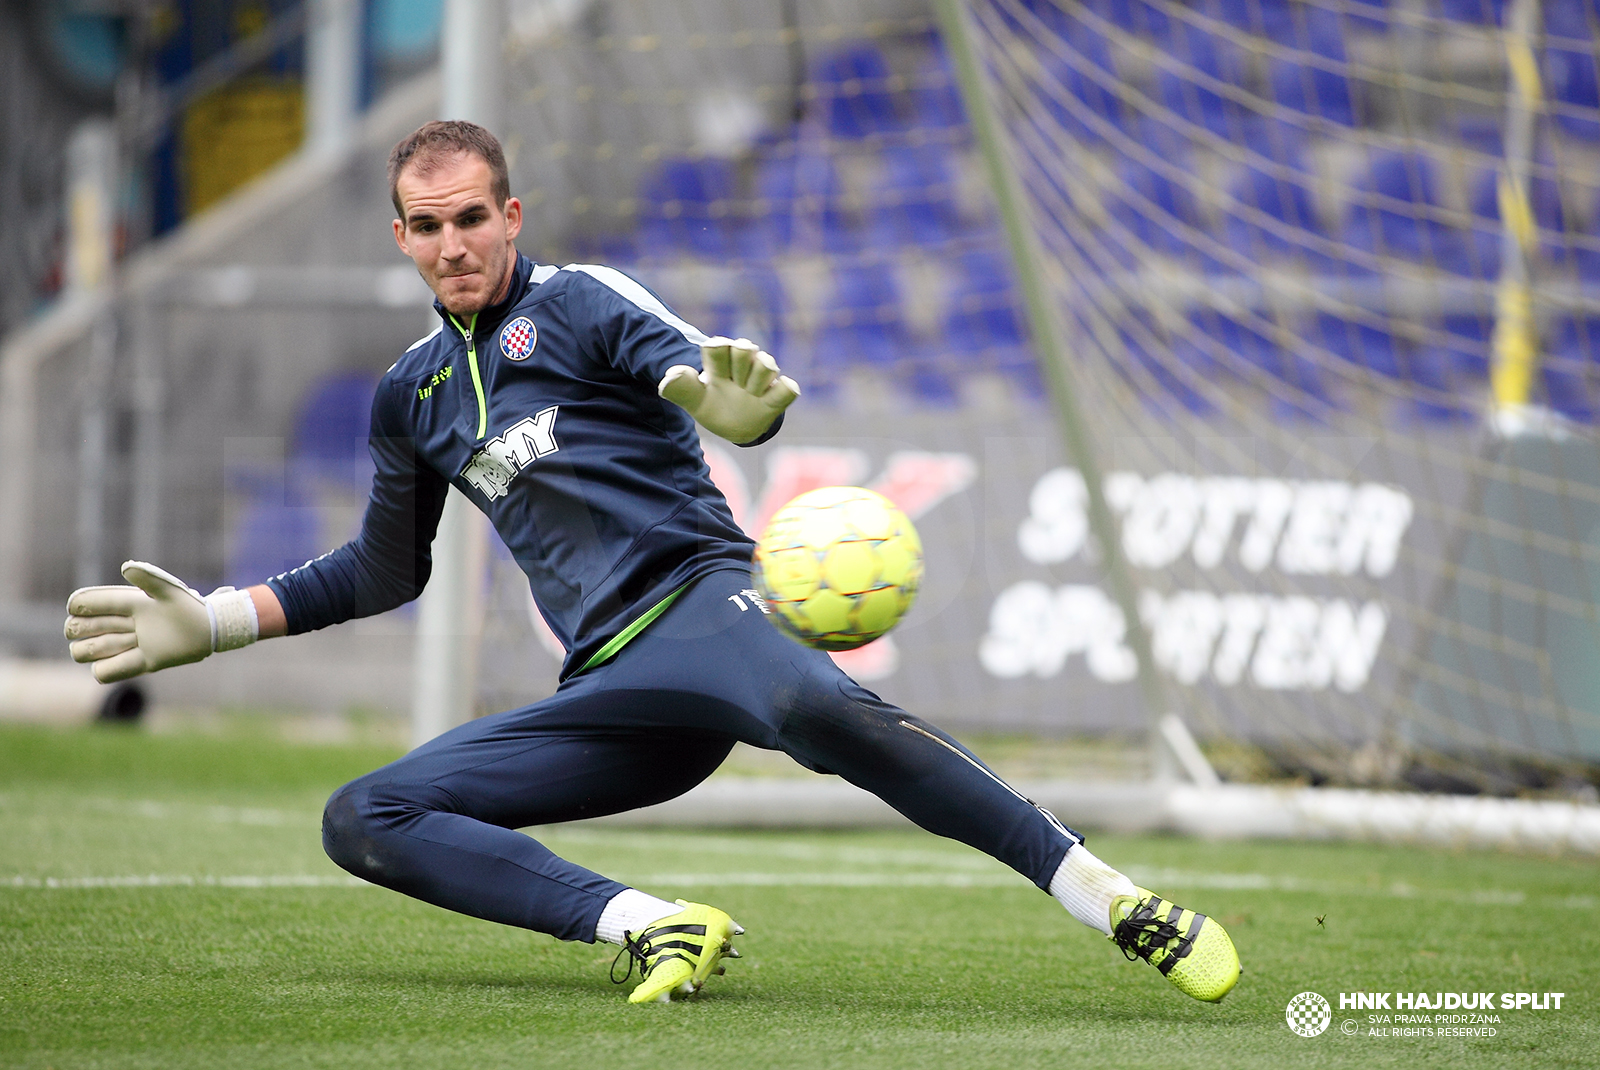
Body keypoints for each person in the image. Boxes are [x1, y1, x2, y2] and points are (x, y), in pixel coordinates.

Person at [63, 120, 1240, 1005]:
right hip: (611, 686)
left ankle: (1115, 901)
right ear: (401, 237)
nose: (452, 243)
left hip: (704, 606)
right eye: (427, 225)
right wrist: (212, 621)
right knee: (367, 812)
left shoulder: (576, 304)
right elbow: (384, 572)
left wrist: (735, 414)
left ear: (511, 215)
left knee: (816, 704)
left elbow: (691, 374)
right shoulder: (410, 395)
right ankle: (650, 922)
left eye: (471, 217)